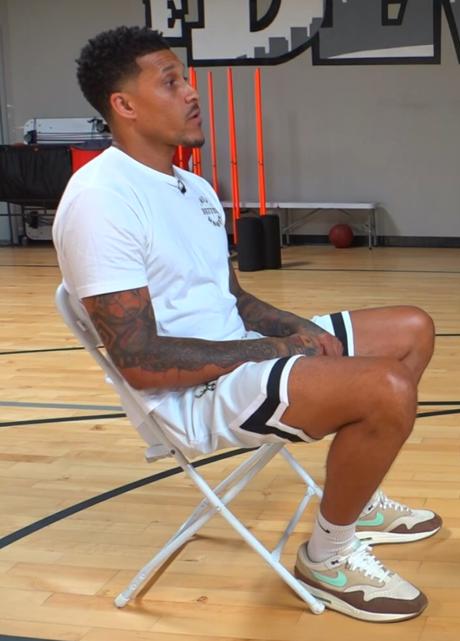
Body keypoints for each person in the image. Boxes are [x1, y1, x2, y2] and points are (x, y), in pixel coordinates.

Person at [55, 26, 438, 623]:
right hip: (193, 392)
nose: (191, 92)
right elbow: (139, 358)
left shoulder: (195, 186)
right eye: (171, 81)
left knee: (411, 328)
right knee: (386, 388)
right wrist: (277, 351)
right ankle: (327, 556)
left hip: (240, 351)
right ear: (123, 105)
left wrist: (293, 329)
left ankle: (354, 503)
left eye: (185, 77)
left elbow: (228, 294)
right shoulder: (100, 199)